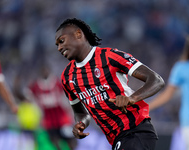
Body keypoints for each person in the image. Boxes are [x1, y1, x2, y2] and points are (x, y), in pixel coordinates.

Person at [55, 18, 165, 150]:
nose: (59, 48)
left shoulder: (109, 56)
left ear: (78, 34)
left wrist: (132, 98)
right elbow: (80, 112)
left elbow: (156, 80)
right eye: (57, 45)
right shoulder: (67, 77)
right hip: (116, 139)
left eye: (61, 41)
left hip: (136, 130)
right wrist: (81, 123)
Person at [149, 35, 189, 150]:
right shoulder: (182, 68)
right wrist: (146, 107)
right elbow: (167, 94)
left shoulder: (181, 68)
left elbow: (167, 95)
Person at [26, 65, 76, 150]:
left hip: (61, 117)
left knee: (69, 138)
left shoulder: (56, 82)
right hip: (48, 119)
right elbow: (28, 94)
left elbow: (67, 92)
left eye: (46, 71)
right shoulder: (36, 85)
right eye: (43, 71)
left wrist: (70, 109)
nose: (45, 73)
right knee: (54, 139)